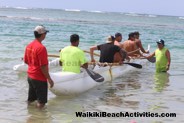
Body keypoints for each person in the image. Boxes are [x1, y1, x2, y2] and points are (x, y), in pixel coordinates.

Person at [24, 25, 54, 109]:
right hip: (39, 78)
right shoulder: (41, 48)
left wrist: (33, 66)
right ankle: (38, 118)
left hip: (30, 76)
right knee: (41, 102)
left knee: (31, 99)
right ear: (42, 35)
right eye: (45, 33)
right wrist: (49, 79)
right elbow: (43, 66)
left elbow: (26, 61)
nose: (45, 35)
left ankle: (29, 114)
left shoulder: (29, 45)